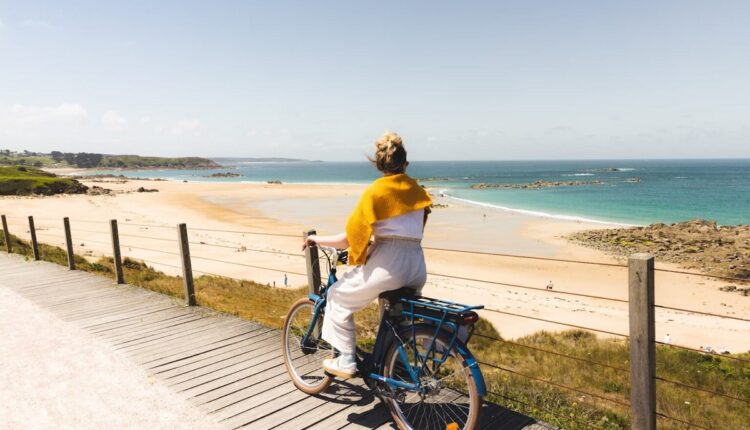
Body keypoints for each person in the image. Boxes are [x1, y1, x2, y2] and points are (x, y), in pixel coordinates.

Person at [302, 132, 432, 379]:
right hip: (416, 264)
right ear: (405, 163)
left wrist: (316, 239)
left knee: (337, 296)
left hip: (389, 263)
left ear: (379, 165)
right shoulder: (418, 191)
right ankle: (395, 366)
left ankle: (347, 360)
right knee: (397, 314)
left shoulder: (376, 192)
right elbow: (414, 229)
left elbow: (348, 239)